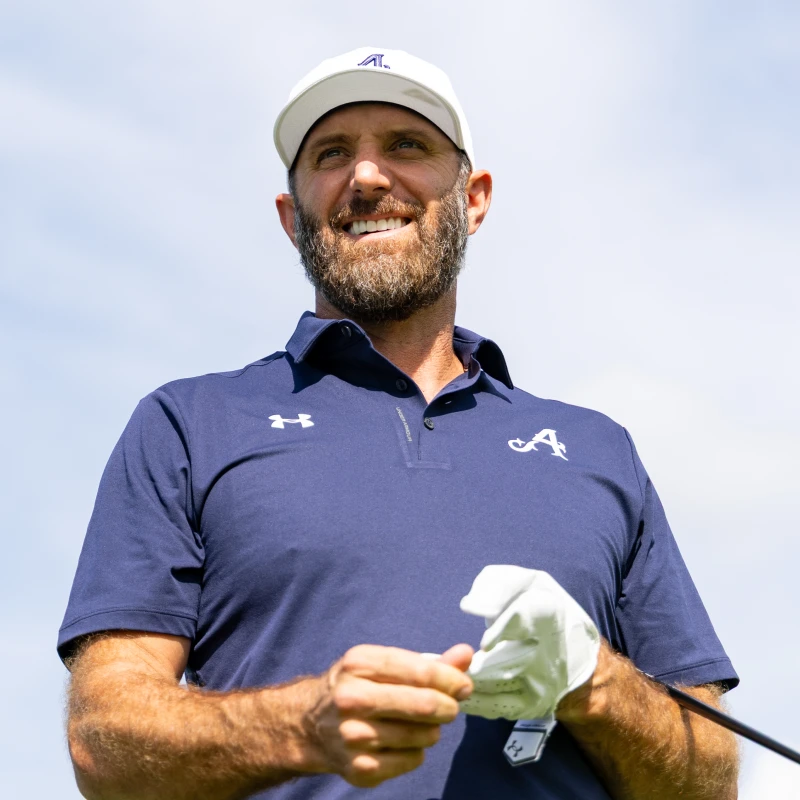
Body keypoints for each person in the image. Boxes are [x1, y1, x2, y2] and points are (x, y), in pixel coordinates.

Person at [59, 47, 739, 800]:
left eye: (407, 146)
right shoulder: (187, 424)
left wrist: (596, 682)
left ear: (474, 198)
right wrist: (302, 723)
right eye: (332, 153)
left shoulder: (597, 449)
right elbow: (104, 743)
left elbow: (710, 779)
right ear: (293, 217)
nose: (369, 176)